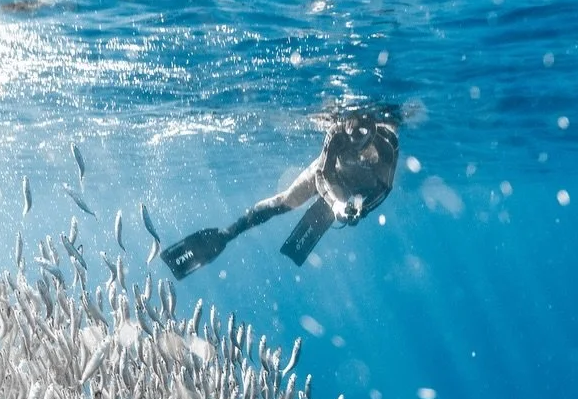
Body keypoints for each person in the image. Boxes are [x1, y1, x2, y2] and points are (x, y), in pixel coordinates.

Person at [161, 106, 401, 279]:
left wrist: (362, 209)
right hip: (333, 176)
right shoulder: (337, 132)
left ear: (372, 134)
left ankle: (342, 205)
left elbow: (384, 188)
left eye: (360, 144)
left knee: (350, 200)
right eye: (350, 142)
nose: (353, 147)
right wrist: (336, 203)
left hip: (360, 184)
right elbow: (321, 175)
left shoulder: (387, 145)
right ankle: (229, 232)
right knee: (285, 200)